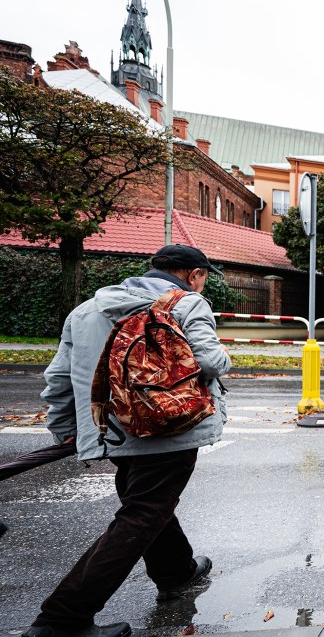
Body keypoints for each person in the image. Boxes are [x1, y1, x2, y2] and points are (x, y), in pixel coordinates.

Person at [25, 244, 230, 637]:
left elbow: (60, 378)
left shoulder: (87, 310)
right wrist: (224, 359)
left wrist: (66, 426)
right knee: (143, 512)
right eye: (203, 277)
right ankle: (61, 619)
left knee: (146, 502)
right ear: (193, 274)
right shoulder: (187, 304)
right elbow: (208, 362)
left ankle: (176, 573)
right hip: (170, 427)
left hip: (112, 428)